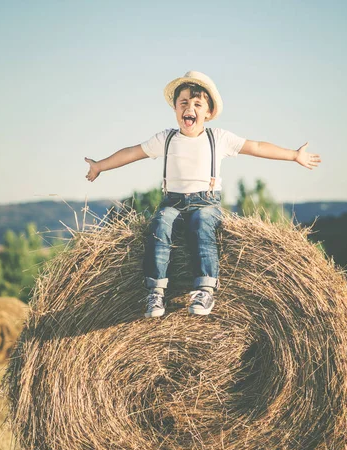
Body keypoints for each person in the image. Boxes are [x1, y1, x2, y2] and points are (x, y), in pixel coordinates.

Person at [85, 71, 321, 318]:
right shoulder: (165, 139)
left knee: (201, 225)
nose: (190, 108)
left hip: (206, 203)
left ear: (208, 113)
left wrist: (294, 155)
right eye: (184, 103)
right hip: (172, 202)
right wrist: (100, 165)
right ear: (176, 109)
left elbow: (257, 147)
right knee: (160, 223)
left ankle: (205, 289)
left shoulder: (218, 138)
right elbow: (132, 152)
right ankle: (155, 292)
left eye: (198, 104)